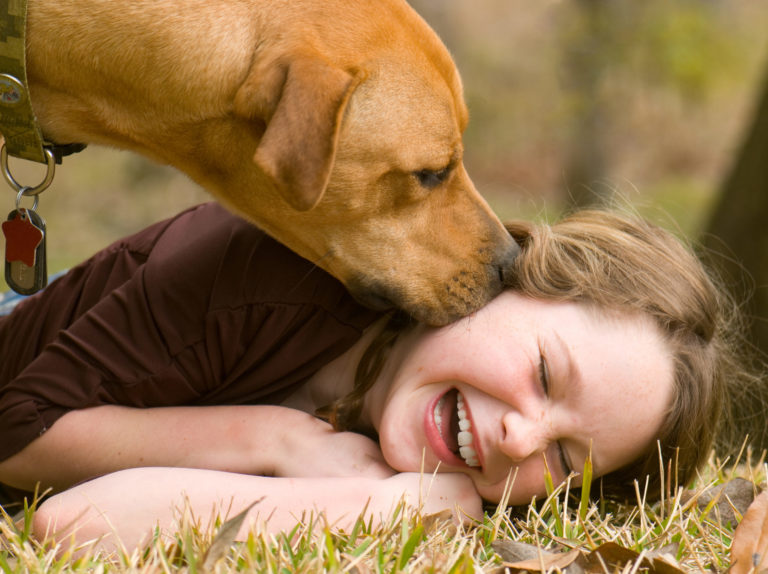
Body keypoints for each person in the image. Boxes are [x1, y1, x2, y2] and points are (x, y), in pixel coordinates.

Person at [0, 201, 742, 552]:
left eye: (564, 460)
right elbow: (20, 447)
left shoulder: (445, 454)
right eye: (546, 374)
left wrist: (379, 499)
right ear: (513, 274)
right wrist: (280, 444)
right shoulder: (270, 258)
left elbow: (91, 522)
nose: (521, 437)